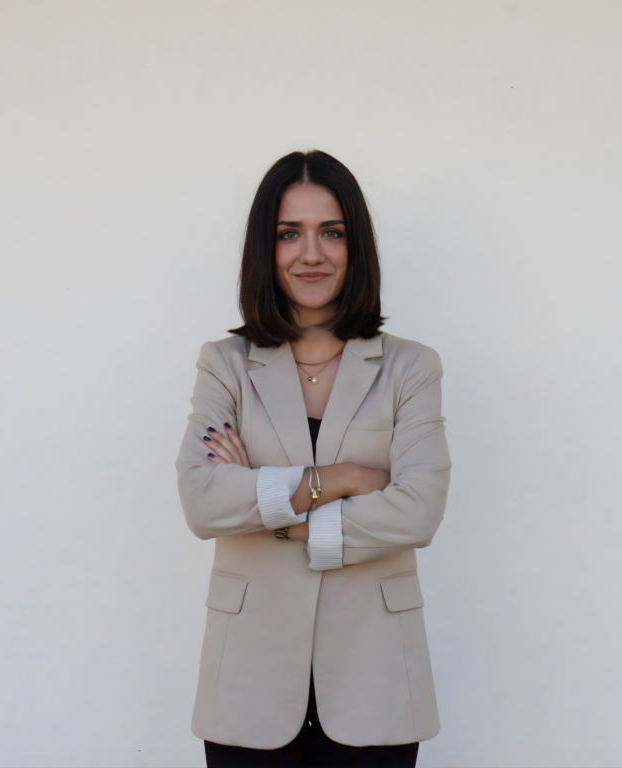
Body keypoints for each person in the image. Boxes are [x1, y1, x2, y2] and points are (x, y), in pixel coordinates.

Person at [175, 150, 451, 767]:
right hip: (248, 679)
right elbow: (202, 500)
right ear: (264, 248)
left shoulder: (411, 367)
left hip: (376, 678)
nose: (311, 254)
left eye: (331, 232)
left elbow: (418, 512)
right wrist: (346, 478)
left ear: (356, 247)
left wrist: (273, 513)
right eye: (288, 234)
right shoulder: (225, 365)